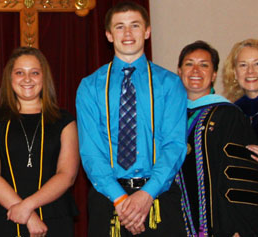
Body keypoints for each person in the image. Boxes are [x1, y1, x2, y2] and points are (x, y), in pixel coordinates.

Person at [74, 2, 186, 236]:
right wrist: (121, 201)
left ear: (147, 31)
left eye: (134, 26)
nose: (127, 34)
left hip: (158, 196)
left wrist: (147, 194)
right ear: (108, 34)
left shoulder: (170, 84)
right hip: (109, 197)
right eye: (119, 27)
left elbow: (174, 145)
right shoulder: (90, 86)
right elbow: (91, 152)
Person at [174, 41, 258, 236]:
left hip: (223, 227)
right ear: (179, 71)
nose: (196, 70)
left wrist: (238, 228)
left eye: (204, 65)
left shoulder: (229, 115)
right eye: (189, 64)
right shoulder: (169, 118)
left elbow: (242, 180)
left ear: (214, 75)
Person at [0, 47, 79, 237]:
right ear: (10, 78)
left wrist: (27, 207)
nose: (27, 79)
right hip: (8, 215)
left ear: (44, 77)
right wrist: (28, 216)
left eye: (34, 72)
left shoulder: (64, 120)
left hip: (55, 218)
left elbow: (67, 175)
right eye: (19, 73)